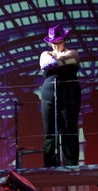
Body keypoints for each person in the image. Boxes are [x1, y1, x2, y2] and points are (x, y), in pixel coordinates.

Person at [39, 25, 81, 167]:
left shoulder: (73, 53)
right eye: (53, 43)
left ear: (65, 40)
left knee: (69, 129)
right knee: (49, 132)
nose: (56, 45)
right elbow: (44, 62)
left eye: (59, 42)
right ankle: (50, 166)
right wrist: (53, 60)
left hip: (69, 95)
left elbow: (66, 59)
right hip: (49, 95)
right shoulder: (45, 53)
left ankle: (71, 165)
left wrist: (55, 61)